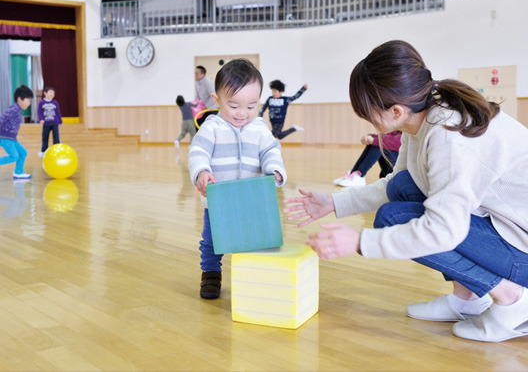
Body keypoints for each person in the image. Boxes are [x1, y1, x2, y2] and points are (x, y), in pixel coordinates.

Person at [284, 40, 528, 343]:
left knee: (393, 218)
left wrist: (360, 241)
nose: (367, 119)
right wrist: (334, 202)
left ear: (396, 110)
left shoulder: (447, 137)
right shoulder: (425, 115)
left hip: (522, 249)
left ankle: (513, 300)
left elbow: (444, 231)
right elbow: (398, 184)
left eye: (368, 112)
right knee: (402, 187)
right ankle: (468, 299)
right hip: (506, 230)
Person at [188, 59, 287, 300]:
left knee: (258, 240)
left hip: (252, 201)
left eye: (251, 106)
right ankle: (211, 274)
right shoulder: (211, 127)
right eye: (233, 106)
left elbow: (271, 151)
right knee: (212, 241)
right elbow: (197, 152)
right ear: (217, 99)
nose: (242, 113)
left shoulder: (260, 128)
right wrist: (201, 172)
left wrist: (275, 169)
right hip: (218, 201)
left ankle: (255, 275)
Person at [333, 131, 401, 187]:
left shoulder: (409, 132)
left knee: (379, 143)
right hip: (391, 171)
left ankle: (359, 175)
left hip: (399, 175)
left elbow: (397, 142)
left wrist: (374, 140)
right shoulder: (401, 130)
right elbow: (387, 136)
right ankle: (354, 173)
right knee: (376, 142)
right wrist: (370, 137)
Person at [0, 85, 33, 179]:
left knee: (23, 152)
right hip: (5, 137)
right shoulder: (14, 108)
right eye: (28, 100)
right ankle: (18, 172)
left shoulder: (17, 109)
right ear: (20, 99)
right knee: (14, 156)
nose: (29, 103)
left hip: (12, 138)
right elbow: (2, 118)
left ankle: (18, 172)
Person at [37, 86, 63, 157]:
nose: (52, 94)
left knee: (56, 138)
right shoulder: (41, 102)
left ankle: (57, 150)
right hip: (46, 124)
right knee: (45, 137)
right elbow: (39, 112)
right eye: (50, 92)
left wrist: (60, 121)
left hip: (55, 123)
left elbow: (58, 112)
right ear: (45, 93)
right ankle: (43, 151)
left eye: (53, 93)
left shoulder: (55, 102)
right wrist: (41, 119)